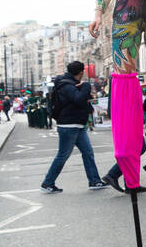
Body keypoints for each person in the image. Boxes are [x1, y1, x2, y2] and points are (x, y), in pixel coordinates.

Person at [41, 62, 108, 193]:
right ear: (81, 72)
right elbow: (78, 99)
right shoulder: (66, 85)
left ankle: (94, 181)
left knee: (88, 153)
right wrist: (86, 86)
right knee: (63, 155)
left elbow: (82, 100)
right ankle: (47, 183)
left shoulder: (70, 83)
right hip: (69, 125)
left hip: (77, 124)